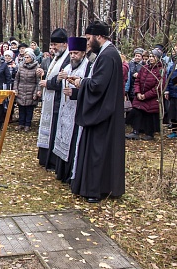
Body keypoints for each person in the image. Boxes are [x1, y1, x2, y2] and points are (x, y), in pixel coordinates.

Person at [71, 21, 125, 203]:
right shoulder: (105, 54)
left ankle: (95, 189)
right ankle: (96, 187)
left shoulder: (108, 56)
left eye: (88, 38)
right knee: (98, 150)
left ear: (99, 37)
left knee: (98, 152)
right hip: (104, 110)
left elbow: (98, 85)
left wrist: (81, 82)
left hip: (103, 113)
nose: (87, 43)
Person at [52, 37, 88, 183]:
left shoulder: (87, 68)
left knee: (73, 143)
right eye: (71, 53)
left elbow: (89, 90)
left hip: (76, 113)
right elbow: (55, 82)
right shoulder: (67, 67)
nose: (73, 56)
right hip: (64, 112)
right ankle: (61, 172)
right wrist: (59, 78)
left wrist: (74, 94)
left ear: (83, 54)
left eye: (76, 53)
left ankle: (69, 174)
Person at [37, 28, 70, 171]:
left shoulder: (68, 58)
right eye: (52, 44)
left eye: (55, 44)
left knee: (54, 131)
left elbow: (63, 79)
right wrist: (44, 74)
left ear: (64, 44)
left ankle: (52, 161)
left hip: (59, 101)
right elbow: (53, 74)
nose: (53, 47)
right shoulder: (57, 57)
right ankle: (45, 159)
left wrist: (48, 83)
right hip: (51, 101)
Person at [125, 48, 164, 141]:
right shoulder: (144, 68)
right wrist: (138, 92)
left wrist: (146, 95)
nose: (150, 58)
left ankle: (149, 134)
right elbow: (137, 81)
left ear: (158, 58)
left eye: (153, 56)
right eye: (150, 56)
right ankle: (135, 132)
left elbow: (158, 87)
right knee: (137, 112)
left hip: (151, 98)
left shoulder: (161, 71)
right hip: (140, 95)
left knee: (149, 115)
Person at [13, 48, 41, 132]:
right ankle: (21, 123)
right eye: (25, 57)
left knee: (29, 109)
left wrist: (36, 92)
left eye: (28, 57)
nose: (26, 59)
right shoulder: (21, 66)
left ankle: (27, 124)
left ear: (32, 58)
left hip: (31, 90)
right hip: (21, 90)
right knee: (21, 108)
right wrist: (16, 89)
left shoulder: (37, 67)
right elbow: (16, 79)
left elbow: (38, 81)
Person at [165, 51, 177, 138]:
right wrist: (167, 91)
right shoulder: (173, 67)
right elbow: (168, 80)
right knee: (174, 113)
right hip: (173, 94)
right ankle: (174, 131)